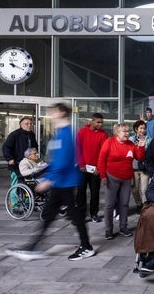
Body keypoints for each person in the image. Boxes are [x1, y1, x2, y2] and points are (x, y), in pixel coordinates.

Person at [6, 103, 95, 261]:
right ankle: (33, 248)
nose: (51, 115)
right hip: (61, 182)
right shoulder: (60, 132)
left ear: (60, 113)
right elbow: (56, 160)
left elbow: (64, 160)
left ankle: (86, 247)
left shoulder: (66, 133)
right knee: (51, 215)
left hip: (64, 182)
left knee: (70, 215)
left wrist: (48, 180)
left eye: (52, 112)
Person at [98, 123, 146, 240]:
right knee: (109, 205)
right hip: (111, 177)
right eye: (124, 131)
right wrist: (103, 176)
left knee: (124, 204)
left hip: (126, 178)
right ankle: (108, 229)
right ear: (116, 133)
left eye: (128, 131)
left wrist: (141, 146)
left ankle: (123, 227)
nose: (127, 133)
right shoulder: (109, 142)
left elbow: (139, 157)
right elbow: (101, 159)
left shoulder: (130, 144)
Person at [75, 113, 108, 223]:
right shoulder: (82, 132)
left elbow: (103, 153)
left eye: (101, 122)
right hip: (82, 169)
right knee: (81, 192)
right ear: (92, 121)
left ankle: (94, 214)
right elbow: (78, 149)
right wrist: (81, 164)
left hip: (95, 170)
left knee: (95, 193)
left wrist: (99, 168)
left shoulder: (103, 135)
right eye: (98, 122)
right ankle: (80, 215)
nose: (100, 124)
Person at [2, 116, 38, 188]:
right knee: (16, 184)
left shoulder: (32, 135)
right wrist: (9, 158)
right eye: (27, 124)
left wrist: (35, 154)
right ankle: (14, 199)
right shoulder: (15, 134)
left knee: (29, 183)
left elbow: (35, 147)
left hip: (29, 163)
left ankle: (27, 199)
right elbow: (6, 147)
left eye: (30, 124)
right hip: (16, 163)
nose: (29, 125)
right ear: (21, 125)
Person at [129, 120, 153, 210]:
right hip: (134, 167)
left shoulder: (149, 140)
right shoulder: (131, 139)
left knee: (144, 189)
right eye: (141, 128)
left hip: (144, 168)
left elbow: (150, 153)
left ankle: (144, 205)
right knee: (134, 189)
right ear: (136, 129)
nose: (143, 130)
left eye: (144, 128)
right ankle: (138, 203)